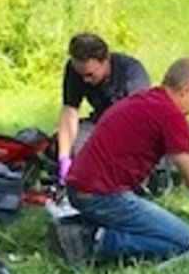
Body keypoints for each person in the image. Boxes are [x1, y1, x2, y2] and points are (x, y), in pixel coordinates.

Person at [52, 57, 189, 266]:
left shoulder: (148, 99)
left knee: (171, 234)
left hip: (81, 189)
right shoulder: (170, 115)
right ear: (187, 90)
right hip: (103, 196)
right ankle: (94, 240)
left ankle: (89, 229)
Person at [55, 32, 151, 180]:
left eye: (90, 74)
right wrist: (64, 157)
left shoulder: (132, 73)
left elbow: (140, 120)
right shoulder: (75, 70)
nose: (84, 80)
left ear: (106, 60)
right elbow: (70, 110)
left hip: (133, 129)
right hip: (100, 123)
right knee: (63, 144)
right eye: (80, 75)